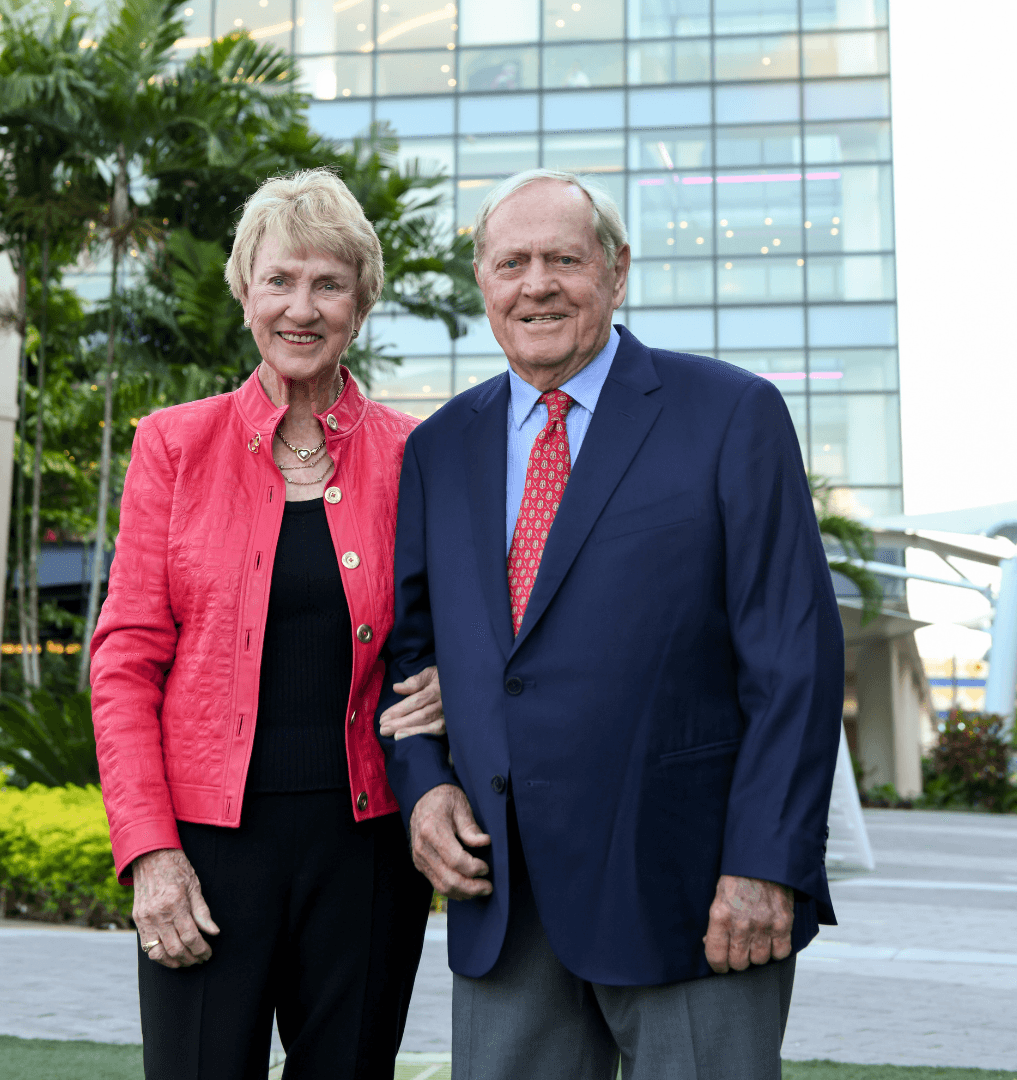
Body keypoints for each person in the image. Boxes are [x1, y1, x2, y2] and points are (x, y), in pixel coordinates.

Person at [376, 169, 845, 1079]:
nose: (536, 284)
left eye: (564, 259)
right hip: (505, 898)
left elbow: (794, 661)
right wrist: (426, 788)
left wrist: (765, 864)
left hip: (694, 896)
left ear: (617, 271)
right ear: (483, 280)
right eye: (512, 262)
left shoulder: (731, 414)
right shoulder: (440, 449)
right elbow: (416, 652)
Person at [91, 168, 445, 1080]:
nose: (302, 307)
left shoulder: (419, 456)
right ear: (245, 291)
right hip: (205, 854)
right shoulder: (173, 444)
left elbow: (463, 630)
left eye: (328, 283)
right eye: (280, 279)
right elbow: (125, 662)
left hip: (367, 852)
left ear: (361, 304)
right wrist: (150, 855)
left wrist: (462, 682)